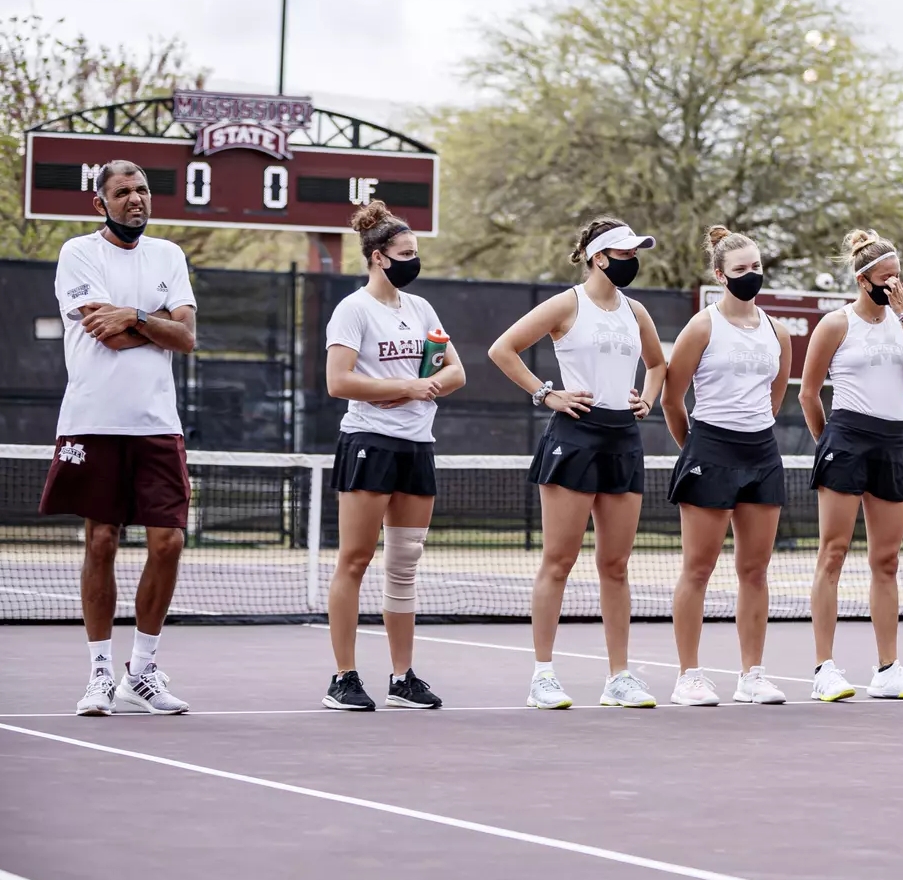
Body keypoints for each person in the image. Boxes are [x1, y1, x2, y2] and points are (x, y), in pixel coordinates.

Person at [488, 217, 668, 710]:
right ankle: (543, 675)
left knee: (615, 565)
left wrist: (647, 400)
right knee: (559, 561)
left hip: (623, 439)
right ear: (598, 257)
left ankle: (620, 677)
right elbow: (502, 349)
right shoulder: (567, 304)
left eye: (636, 254)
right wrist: (546, 393)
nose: (633, 262)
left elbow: (657, 365)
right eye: (625, 254)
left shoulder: (637, 312)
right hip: (574, 436)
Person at [42, 161, 198, 716]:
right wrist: (155, 325)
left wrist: (135, 316)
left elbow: (185, 336)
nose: (136, 199)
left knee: (169, 543)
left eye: (142, 190)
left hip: (158, 424)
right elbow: (101, 332)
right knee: (101, 540)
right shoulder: (78, 252)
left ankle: (143, 671)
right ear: (100, 203)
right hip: (92, 419)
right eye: (123, 192)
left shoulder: (169, 256)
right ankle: (100, 673)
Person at [322, 201, 466, 711]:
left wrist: (421, 387)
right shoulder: (353, 309)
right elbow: (339, 381)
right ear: (379, 257)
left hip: (416, 447)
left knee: (404, 565)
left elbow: (455, 372)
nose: (413, 260)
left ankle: (402, 677)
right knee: (355, 560)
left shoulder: (421, 308)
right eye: (406, 253)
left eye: (415, 253)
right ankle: (343, 677)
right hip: (368, 444)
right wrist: (405, 386)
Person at [798, 229, 903, 701]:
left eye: (898, 277)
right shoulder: (836, 324)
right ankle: (825, 669)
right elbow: (808, 391)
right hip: (845, 436)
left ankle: (887, 669)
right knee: (833, 553)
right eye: (886, 279)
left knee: (886, 560)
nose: (894, 284)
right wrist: (828, 444)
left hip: (891, 441)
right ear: (864, 281)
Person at [661, 227, 793, 706]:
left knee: (755, 571)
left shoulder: (778, 331)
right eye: (741, 270)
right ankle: (689, 676)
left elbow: (775, 396)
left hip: (761, 454)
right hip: (709, 451)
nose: (751, 275)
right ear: (720, 275)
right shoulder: (702, 326)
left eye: (756, 267)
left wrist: (752, 431)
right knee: (698, 569)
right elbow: (672, 398)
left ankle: (752, 674)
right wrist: (694, 448)